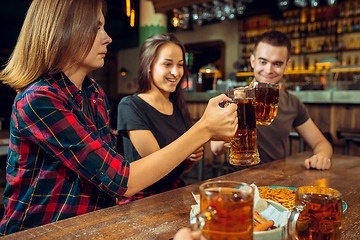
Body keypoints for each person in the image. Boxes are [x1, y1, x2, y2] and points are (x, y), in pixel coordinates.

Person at [0, 0, 238, 235]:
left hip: (93, 226)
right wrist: (204, 129)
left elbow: (108, 173)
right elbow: (123, 181)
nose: (107, 37)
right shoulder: (39, 99)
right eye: (96, 28)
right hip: (39, 232)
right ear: (63, 30)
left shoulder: (93, 94)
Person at [211, 30, 332, 170]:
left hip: (276, 181)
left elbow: (321, 143)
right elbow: (216, 149)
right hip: (239, 182)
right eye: (263, 62)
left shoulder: (292, 102)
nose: (269, 70)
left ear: (287, 65)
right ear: (252, 61)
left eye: (277, 64)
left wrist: (321, 156)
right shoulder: (234, 97)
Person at [117, 33, 203, 204]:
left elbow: (181, 166)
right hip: (143, 199)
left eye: (180, 65)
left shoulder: (176, 105)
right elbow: (157, 165)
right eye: (167, 64)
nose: (176, 72)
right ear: (149, 65)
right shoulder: (130, 105)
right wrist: (193, 142)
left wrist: (190, 158)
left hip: (175, 191)